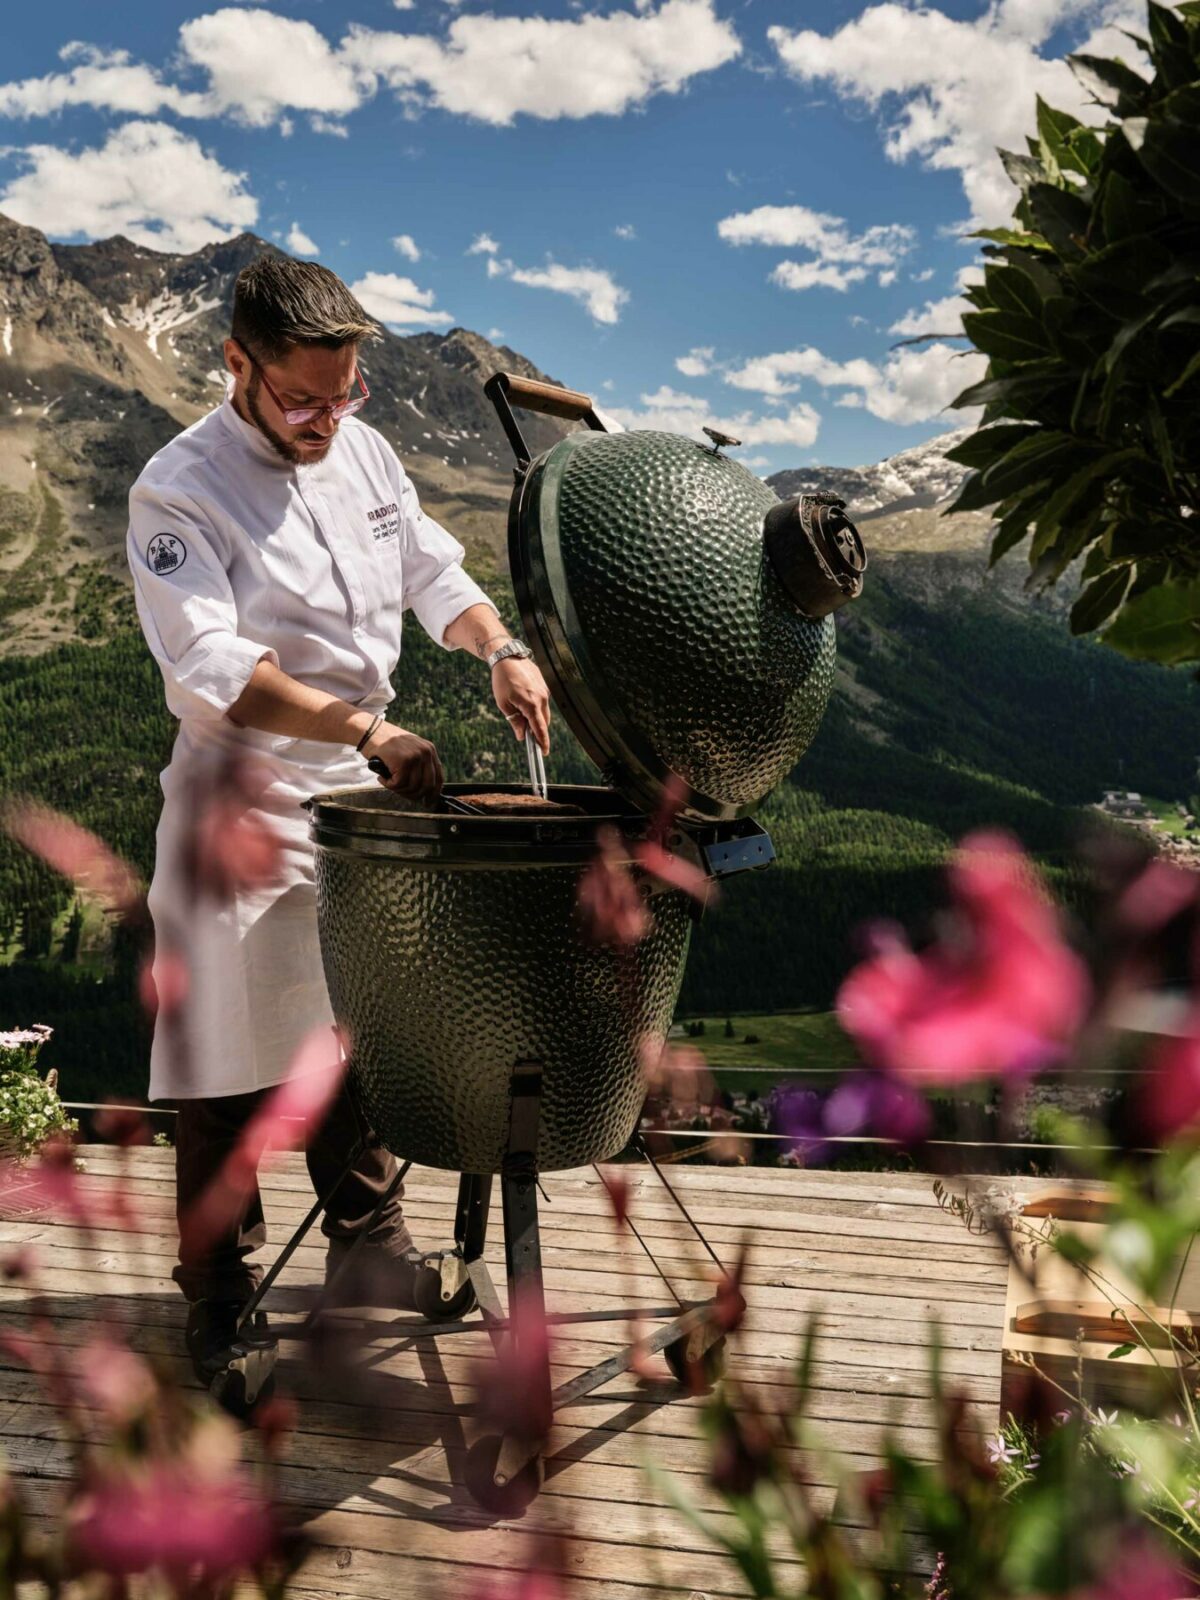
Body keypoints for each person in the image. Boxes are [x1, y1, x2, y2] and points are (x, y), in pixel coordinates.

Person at [126, 254, 551, 1409]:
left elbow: (430, 568)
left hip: (359, 793)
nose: (327, 419)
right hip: (242, 791)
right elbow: (215, 667)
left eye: (345, 392)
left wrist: (498, 646)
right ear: (238, 365)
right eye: (303, 399)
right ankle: (217, 1292)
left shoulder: (362, 448)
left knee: (355, 1021)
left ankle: (369, 1249)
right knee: (223, 1061)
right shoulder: (179, 488)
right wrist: (366, 727)